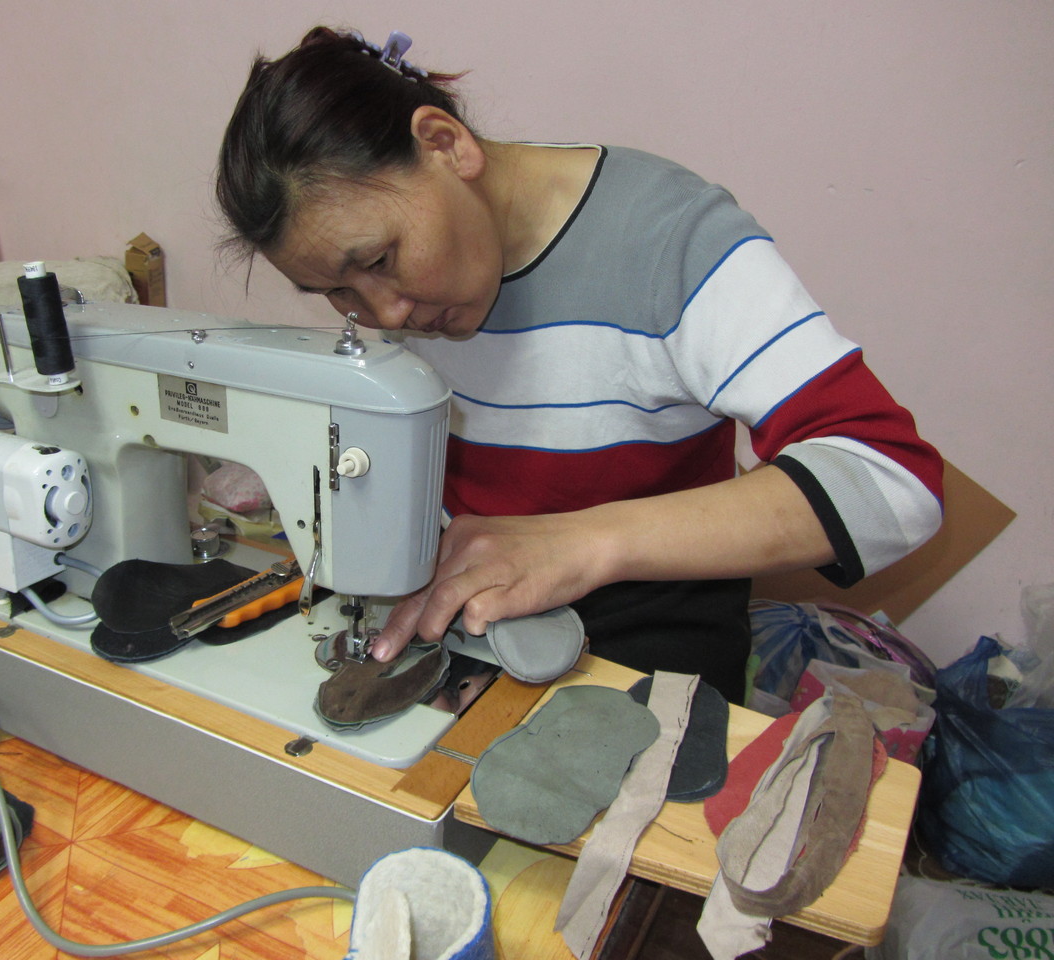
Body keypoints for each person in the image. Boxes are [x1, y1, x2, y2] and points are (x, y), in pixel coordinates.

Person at [215, 26, 944, 704]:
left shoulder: (668, 241)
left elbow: (894, 482)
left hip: (647, 641)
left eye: (379, 261)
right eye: (337, 291)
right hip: (474, 617)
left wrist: (581, 541)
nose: (386, 313)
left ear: (445, 145)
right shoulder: (417, 283)